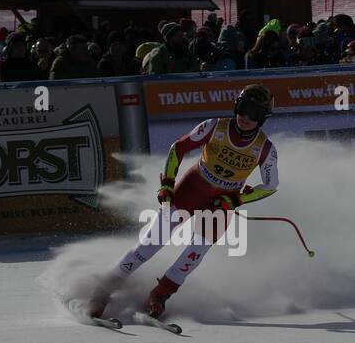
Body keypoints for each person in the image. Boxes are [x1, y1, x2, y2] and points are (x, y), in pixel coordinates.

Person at [87, 85, 280, 320]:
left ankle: (159, 295)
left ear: (263, 118)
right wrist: (167, 184)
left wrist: (234, 199)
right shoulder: (214, 127)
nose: (246, 117)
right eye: (243, 109)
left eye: (255, 113)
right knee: (149, 245)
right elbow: (178, 148)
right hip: (191, 190)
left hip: (219, 205)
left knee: (195, 251)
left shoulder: (265, 149)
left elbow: (270, 186)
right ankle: (103, 291)